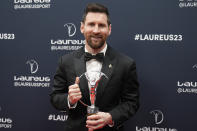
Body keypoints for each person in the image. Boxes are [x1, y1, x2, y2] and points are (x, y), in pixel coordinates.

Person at [50, 3, 140, 131]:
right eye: (91, 24)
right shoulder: (66, 61)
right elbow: (55, 97)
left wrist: (110, 117)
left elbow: (132, 103)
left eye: (101, 25)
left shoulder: (126, 64)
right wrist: (70, 100)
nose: (96, 30)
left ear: (109, 29)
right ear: (82, 27)